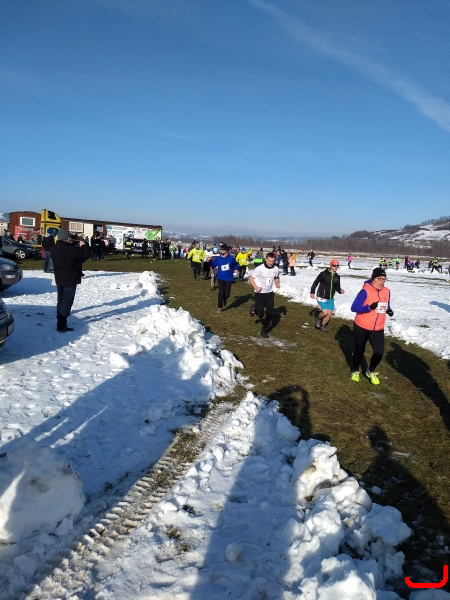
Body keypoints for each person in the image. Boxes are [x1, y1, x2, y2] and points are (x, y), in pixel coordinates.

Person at [350, 267, 393, 385]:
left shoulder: (386, 291)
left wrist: (389, 310)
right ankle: (355, 370)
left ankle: (370, 370)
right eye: (379, 279)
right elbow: (354, 307)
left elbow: (386, 304)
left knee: (379, 352)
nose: (382, 282)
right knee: (359, 351)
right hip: (361, 326)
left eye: (384, 279)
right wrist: (369, 307)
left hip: (377, 328)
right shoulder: (365, 291)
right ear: (373, 278)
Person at [50, 228, 90, 332]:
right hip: (70, 278)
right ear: (67, 239)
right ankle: (61, 324)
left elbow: (68, 254)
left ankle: (60, 317)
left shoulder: (54, 248)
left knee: (61, 300)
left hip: (59, 277)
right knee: (66, 302)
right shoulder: (70, 249)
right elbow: (85, 256)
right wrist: (84, 246)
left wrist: (74, 245)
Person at [248, 252, 280, 338]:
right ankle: (254, 308)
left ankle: (264, 331)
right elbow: (251, 278)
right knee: (261, 314)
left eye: (273, 261)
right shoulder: (259, 268)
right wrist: (256, 287)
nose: (271, 263)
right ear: (265, 259)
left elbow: (276, 277)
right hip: (259, 294)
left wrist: (277, 283)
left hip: (269, 293)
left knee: (269, 313)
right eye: (269, 261)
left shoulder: (276, 269)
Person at [310, 259, 345, 333]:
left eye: (337, 266)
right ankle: (318, 318)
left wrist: (340, 290)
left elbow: (337, 287)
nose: (336, 267)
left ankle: (322, 325)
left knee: (329, 315)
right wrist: (312, 292)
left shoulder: (337, 277)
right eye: (334, 265)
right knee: (325, 313)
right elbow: (316, 282)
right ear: (331, 265)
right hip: (321, 297)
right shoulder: (323, 274)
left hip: (330, 298)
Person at [212, 244, 239, 312]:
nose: (222, 250)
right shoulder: (218, 258)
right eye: (221, 249)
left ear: (226, 250)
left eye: (223, 249)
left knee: (227, 294)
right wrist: (209, 261)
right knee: (221, 293)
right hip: (220, 277)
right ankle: (219, 307)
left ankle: (224, 298)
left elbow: (236, 264)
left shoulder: (231, 258)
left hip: (229, 278)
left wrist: (236, 269)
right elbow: (213, 265)